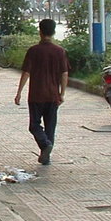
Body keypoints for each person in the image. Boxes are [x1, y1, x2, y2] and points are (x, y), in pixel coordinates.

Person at [14, 18, 70, 166]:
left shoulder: (33, 51)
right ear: (53, 32)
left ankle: (45, 146)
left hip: (36, 95)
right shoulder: (59, 51)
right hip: (53, 95)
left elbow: (26, 73)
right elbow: (64, 74)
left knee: (34, 126)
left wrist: (19, 92)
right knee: (50, 127)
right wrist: (62, 93)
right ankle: (46, 154)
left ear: (40, 32)